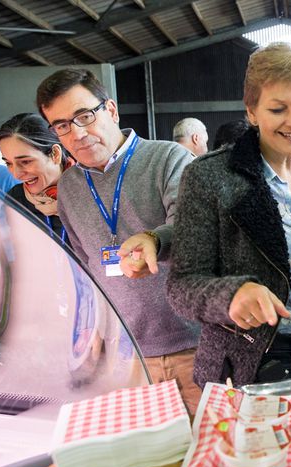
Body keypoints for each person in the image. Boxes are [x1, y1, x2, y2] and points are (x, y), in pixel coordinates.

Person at [167, 43, 291, 387]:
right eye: (278, 109)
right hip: (251, 365)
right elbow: (181, 286)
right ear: (251, 111)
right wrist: (232, 294)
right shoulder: (210, 177)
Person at [36, 68, 201, 413]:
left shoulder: (167, 158)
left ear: (110, 110)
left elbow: (192, 226)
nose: (77, 133)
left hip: (192, 343)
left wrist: (155, 240)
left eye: (85, 116)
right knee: (148, 460)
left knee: (210, 446)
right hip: (126, 356)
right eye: (62, 125)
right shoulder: (69, 187)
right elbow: (87, 269)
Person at [0, 113, 71, 245]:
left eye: (25, 162)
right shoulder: (16, 198)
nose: (16, 174)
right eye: (8, 163)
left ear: (55, 154)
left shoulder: (89, 191)